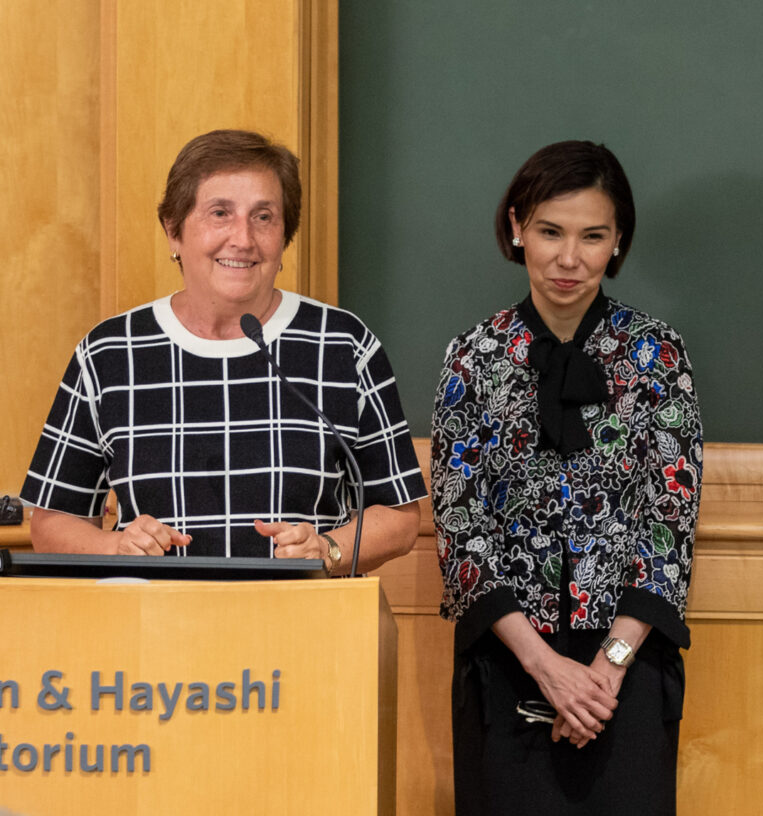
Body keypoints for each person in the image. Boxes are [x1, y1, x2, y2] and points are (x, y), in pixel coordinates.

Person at [431, 140, 702, 814]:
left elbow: (668, 528)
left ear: (617, 245)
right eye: (550, 231)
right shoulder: (474, 355)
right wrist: (546, 670)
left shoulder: (657, 353)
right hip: (507, 663)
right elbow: (461, 529)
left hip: (626, 674)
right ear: (517, 227)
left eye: (593, 236)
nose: (568, 257)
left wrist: (603, 673)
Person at [22, 129, 427, 574]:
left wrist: (326, 550)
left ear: (284, 237)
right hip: (149, 630)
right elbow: (52, 520)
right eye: (220, 213)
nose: (243, 239)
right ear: (173, 232)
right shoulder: (109, 352)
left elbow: (399, 516)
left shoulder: (343, 344)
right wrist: (116, 549)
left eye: (264, 217)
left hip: (305, 629)